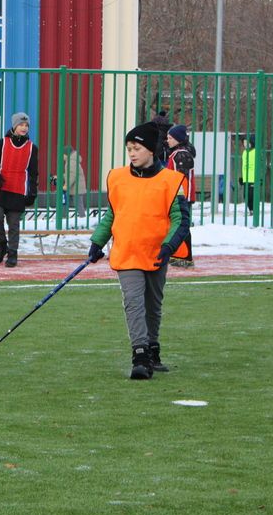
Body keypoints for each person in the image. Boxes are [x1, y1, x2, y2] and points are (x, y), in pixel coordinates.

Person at [86, 122, 191, 379]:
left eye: (137, 148)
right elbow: (113, 213)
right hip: (126, 252)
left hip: (156, 252)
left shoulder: (173, 180)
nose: (132, 153)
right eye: (129, 148)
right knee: (133, 303)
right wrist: (97, 242)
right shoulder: (117, 177)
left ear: (152, 150)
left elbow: (180, 219)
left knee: (152, 305)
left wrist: (168, 246)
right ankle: (140, 354)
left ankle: (152, 348)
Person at [0, 112, 40, 268]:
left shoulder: (32, 148)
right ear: (14, 126)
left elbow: (33, 172)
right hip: (1, 188)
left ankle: (12, 253)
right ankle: (1, 245)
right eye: (21, 125)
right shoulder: (1, 143)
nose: (24, 128)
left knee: (14, 223)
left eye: (26, 125)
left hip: (18, 190)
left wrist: (32, 192)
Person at [166, 124, 196, 267]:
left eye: (170, 138)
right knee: (177, 225)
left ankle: (186, 257)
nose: (168, 140)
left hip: (181, 196)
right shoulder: (177, 153)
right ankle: (180, 254)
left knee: (182, 226)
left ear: (178, 139)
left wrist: (177, 195)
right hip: (178, 195)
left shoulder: (181, 154)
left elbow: (180, 178)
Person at [63, 145, 87, 218]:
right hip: (75, 187)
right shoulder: (72, 160)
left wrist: (66, 185)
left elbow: (72, 175)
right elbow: (70, 173)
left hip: (76, 188)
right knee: (66, 202)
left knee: (78, 205)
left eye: (63, 154)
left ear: (66, 154)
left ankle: (83, 219)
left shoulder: (71, 161)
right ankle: (64, 217)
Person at [240, 134, 258, 211]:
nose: (245, 144)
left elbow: (260, 165)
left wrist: (260, 178)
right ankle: (250, 209)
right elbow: (243, 166)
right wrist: (242, 177)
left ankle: (253, 210)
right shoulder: (244, 153)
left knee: (251, 195)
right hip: (246, 179)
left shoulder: (256, 152)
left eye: (247, 143)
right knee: (245, 196)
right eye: (244, 143)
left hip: (253, 178)